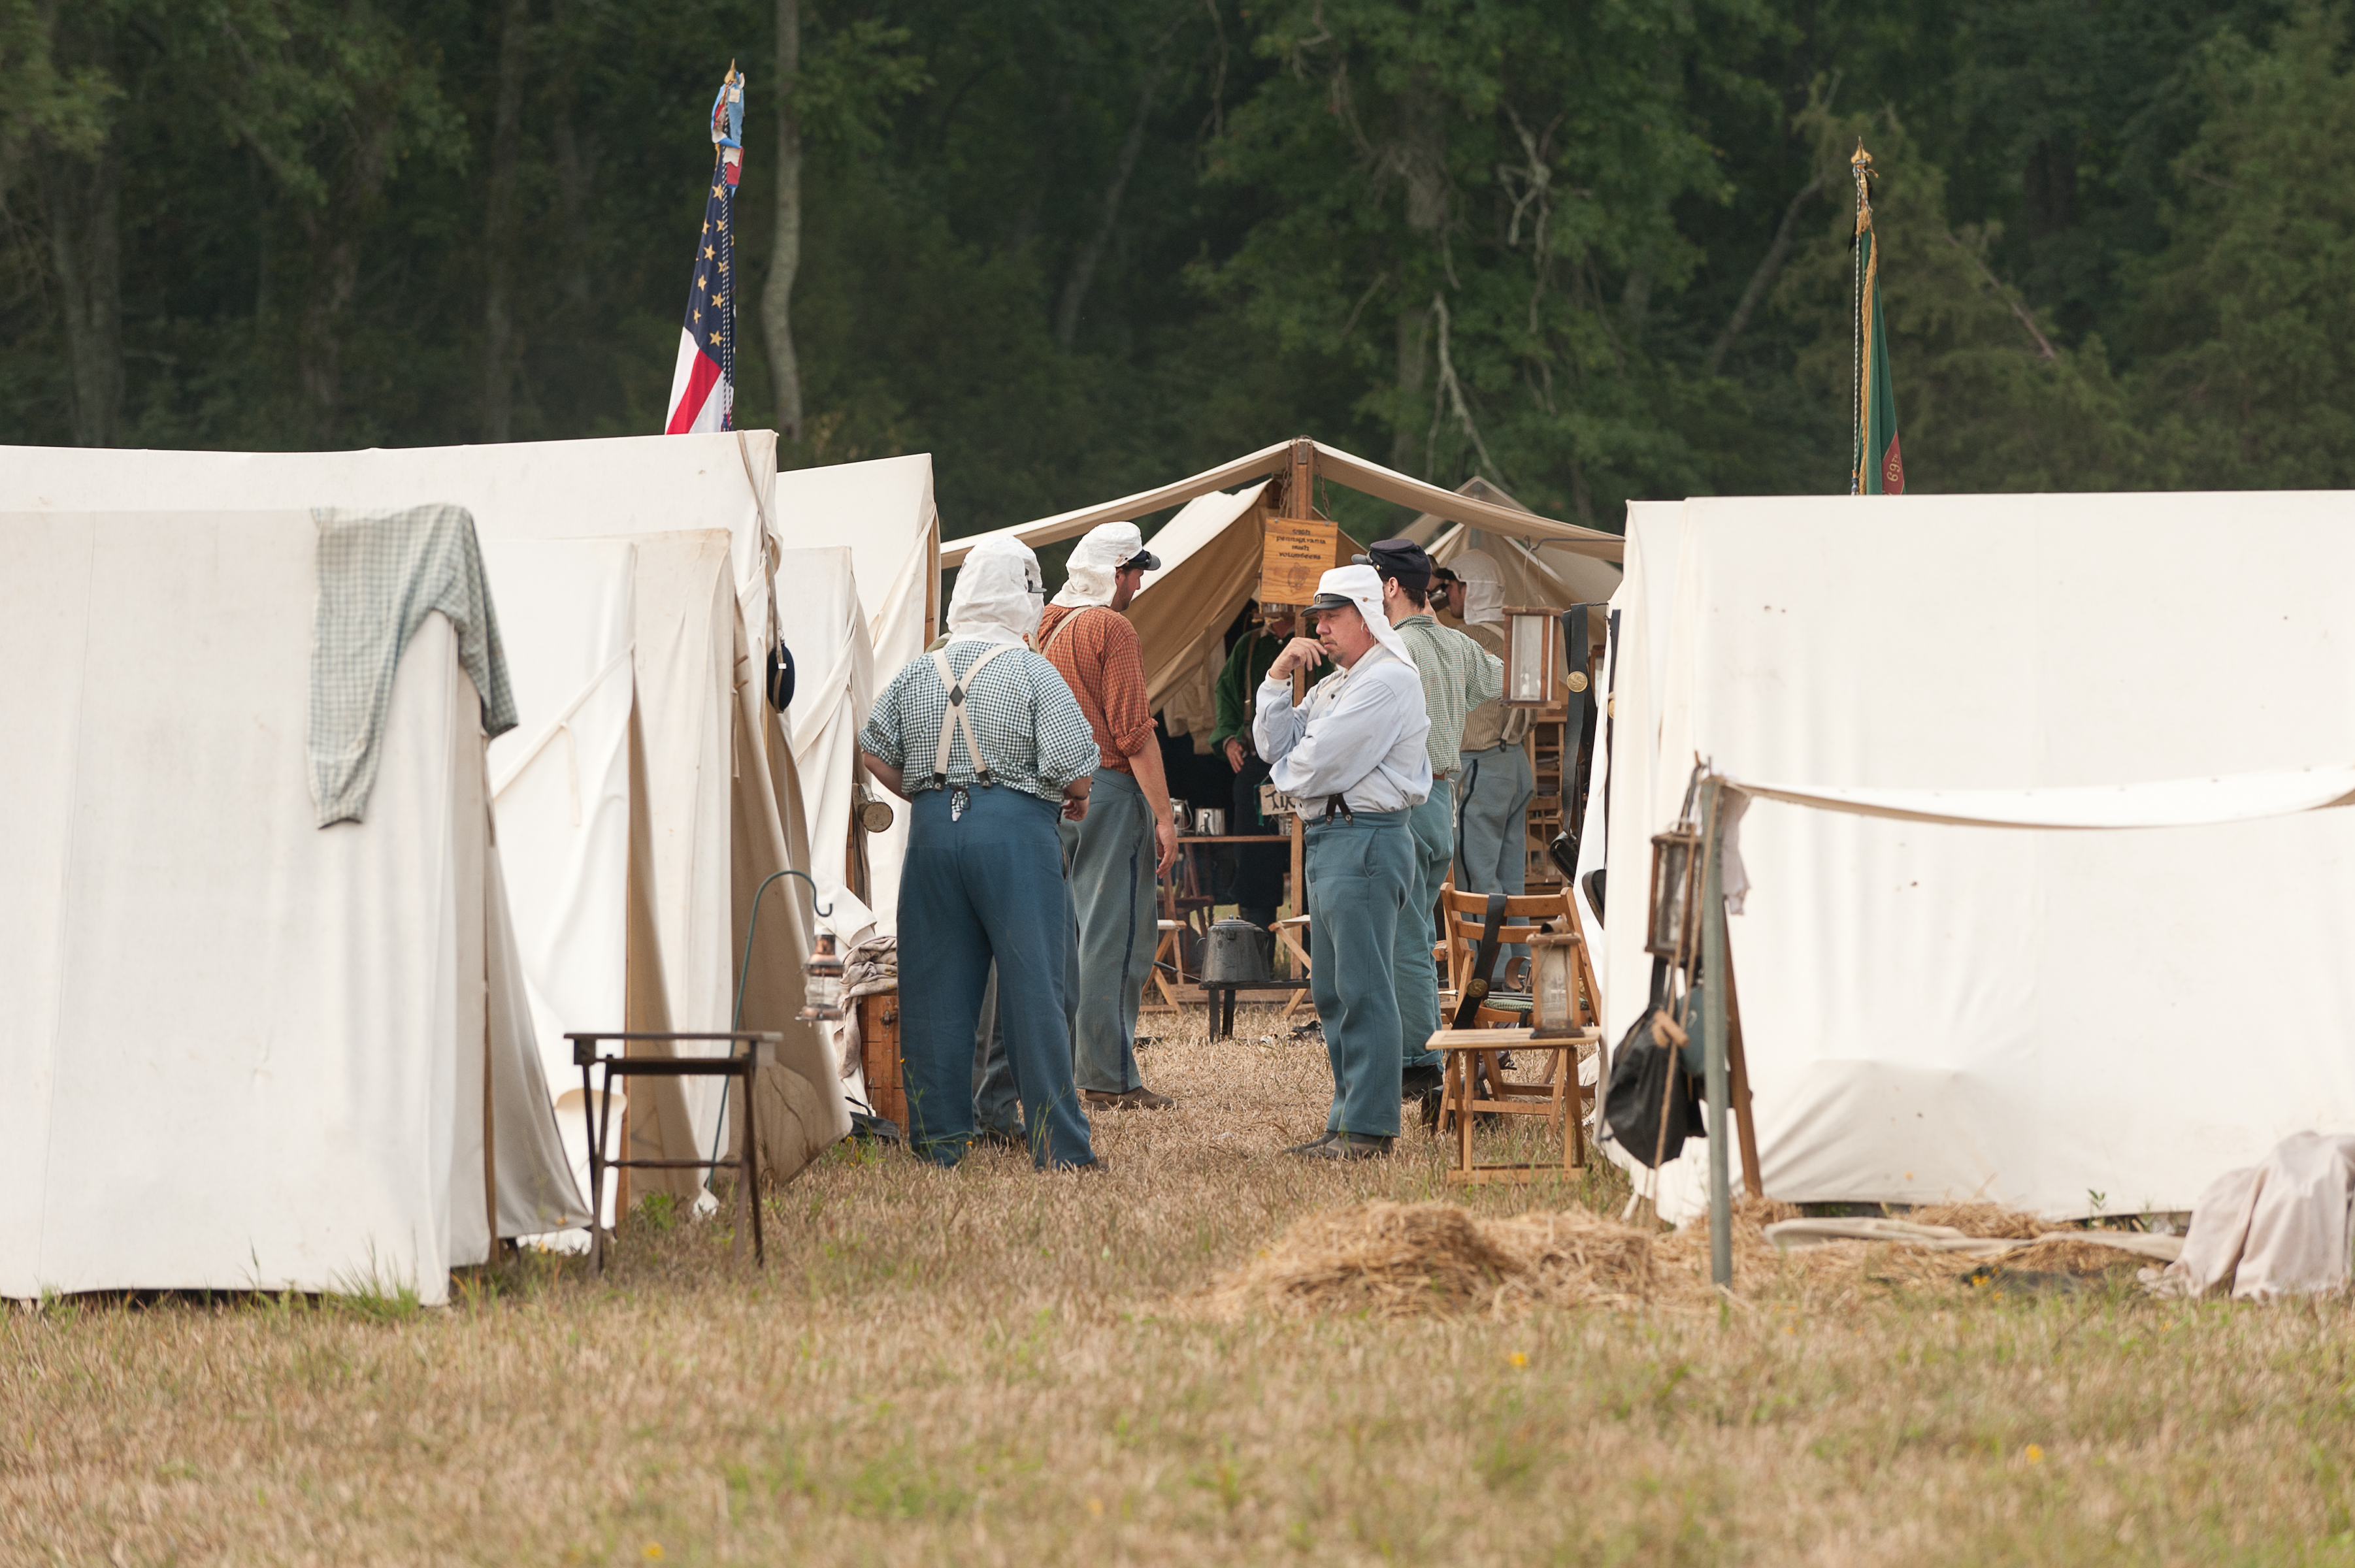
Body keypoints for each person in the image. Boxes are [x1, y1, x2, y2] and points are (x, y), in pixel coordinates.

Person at [857, 536, 1103, 1171]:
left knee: (934, 995)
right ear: (1023, 598)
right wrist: (1060, 796)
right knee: (1034, 994)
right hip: (1015, 833)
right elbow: (1077, 773)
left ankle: (939, 1143)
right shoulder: (1030, 670)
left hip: (934, 834)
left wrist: (925, 795)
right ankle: (1059, 1148)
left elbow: (874, 750)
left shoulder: (917, 671)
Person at [1255, 564, 1431, 1160]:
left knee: (1363, 987)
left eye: (1332, 617)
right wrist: (1278, 678)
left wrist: (1286, 781)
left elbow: (1316, 762)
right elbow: (1279, 745)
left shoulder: (1386, 679)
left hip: (1364, 837)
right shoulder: (1345, 681)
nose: (1322, 629)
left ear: (1365, 614)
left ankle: (1369, 1126)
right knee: (1334, 989)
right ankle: (1349, 1119)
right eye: (1319, 619)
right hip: (1337, 835)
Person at [1036, 521, 1182, 1112]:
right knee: (1115, 936)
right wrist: (1165, 817)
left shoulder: (1045, 623)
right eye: (1136, 571)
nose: (1140, 584)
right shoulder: (1111, 627)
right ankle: (1109, 1076)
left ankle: (1075, 1064)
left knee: (1070, 937)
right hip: (1111, 790)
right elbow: (1133, 733)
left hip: (1057, 792)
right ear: (1116, 573)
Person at [1366, 538, 1502, 1103]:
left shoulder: (1395, 647)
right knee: (1415, 932)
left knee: (1404, 937)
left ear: (1392, 587)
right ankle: (1420, 1053)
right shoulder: (1456, 645)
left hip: (1409, 797)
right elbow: (1499, 678)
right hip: (1442, 794)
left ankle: (1420, 1058)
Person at [1442, 549, 1536, 979]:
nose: (1447, 594)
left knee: (1477, 882)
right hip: (1515, 764)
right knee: (1509, 882)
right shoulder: (1520, 636)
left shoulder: (1468, 641)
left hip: (1479, 766)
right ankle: (1522, 970)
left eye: (1452, 586)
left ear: (1468, 588)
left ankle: (1493, 978)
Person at [1208, 600, 1325, 928]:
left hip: (1310, 765)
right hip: (1258, 766)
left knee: (1314, 861)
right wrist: (1229, 738)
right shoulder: (1250, 645)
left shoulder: (1323, 642)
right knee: (1255, 863)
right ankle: (1256, 955)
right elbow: (1226, 692)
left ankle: (1309, 958)